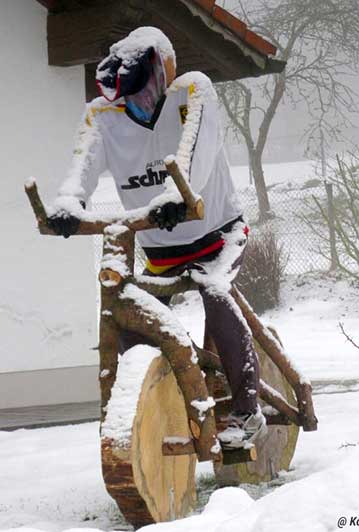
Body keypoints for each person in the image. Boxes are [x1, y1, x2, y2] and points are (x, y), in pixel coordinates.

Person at [48, 26, 265, 449]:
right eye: (128, 97)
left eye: (144, 93)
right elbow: (83, 166)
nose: (138, 105)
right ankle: (139, 414)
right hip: (162, 249)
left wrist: (179, 194)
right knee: (133, 321)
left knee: (216, 295)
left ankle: (247, 411)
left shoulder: (193, 93)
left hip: (219, 234)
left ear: (162, 76)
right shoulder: (102, 115)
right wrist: (69, 204)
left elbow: (197, 153)